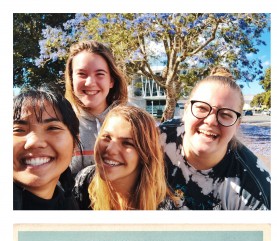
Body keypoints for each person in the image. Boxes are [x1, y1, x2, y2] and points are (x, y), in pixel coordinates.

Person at [160, 66, 271, 210]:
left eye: (225, 114)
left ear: (237, 124)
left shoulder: (255, 191)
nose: (211, 121)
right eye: (202, 108)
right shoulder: (155, 139)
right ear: (186, 111)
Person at [73, 105, 183, 210]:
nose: (110, 149)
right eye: (107, 137)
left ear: (145, 154)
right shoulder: (84, 182)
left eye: (127, 143)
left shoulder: (164, 209)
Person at [65, 40, 128, 175]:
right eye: (82, 74)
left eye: (100, 74)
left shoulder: (132, 123)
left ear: (111, 81)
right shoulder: (60, 124)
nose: (90, 82)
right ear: (71, 79)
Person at [13, 86, 82, 210]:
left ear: (75, 144)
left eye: (52, 128)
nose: (34, 142)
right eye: (18, 130)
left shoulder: (70, 206)